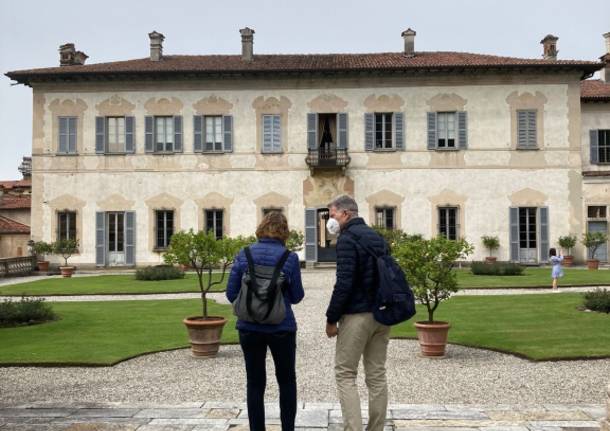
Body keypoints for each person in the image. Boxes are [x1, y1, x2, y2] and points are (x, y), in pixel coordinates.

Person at [226, 211, 304, 431]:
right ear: (284, 231)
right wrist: (277, 298)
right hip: (281, 326)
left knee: (255, 382)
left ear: (261, 227)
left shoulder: (244, 254)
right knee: (287, 381)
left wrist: (253, 307)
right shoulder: (289, 258)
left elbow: (231, 293)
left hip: (249, 327)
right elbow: (297, 296)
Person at [325, 195, 390, 431]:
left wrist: (331, 318)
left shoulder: (347, 239)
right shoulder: (377, 236)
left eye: (332, 215)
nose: (330, 221)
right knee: (377, 375)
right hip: (382, 314)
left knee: (345, 373)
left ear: (346, 214)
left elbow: (344, 284)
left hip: (357, 315)